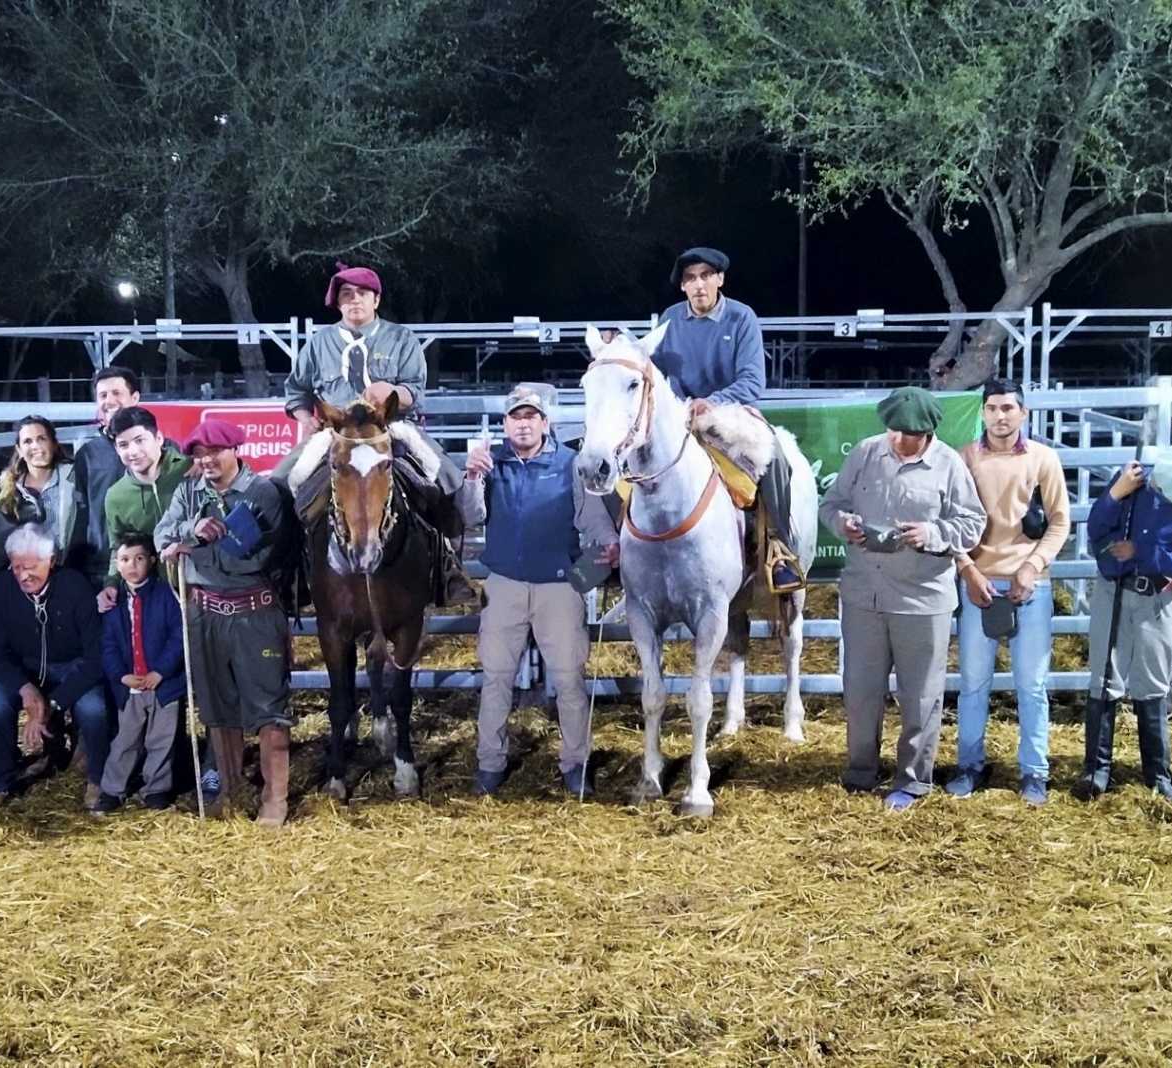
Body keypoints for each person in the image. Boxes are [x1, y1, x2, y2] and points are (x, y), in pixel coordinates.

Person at [818, 387, 987, 811]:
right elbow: (831, 502)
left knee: (921, 695)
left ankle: (913, 779)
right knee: (860, 689)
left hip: (922, 600)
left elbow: (973, 523)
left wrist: (933, 535)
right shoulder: (865, 453)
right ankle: (860, 772)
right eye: (893, 429)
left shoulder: (949, 464)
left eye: (908, 433)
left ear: (928, 433)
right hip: (863, 595)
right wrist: (843, 522)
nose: (897, 439)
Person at [457, 383, 619, 797]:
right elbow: (469, 515)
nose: (523, 424)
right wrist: (472, 475)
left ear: (545, 423)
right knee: (496, 678)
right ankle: (490, 763)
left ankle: (574, 762)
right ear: (505, 424)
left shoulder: (571, 464)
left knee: (569, 679)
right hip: (505, 585)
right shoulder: (491, 463)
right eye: (516, 417)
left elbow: (601, 532)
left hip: (558, 589)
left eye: (531, 417)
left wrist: (578, 581)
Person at [277, 262, 472, 605]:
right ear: (338, 303)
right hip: (335, 433)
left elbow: (416, 391)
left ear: (376, 300)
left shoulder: (401, 338)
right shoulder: (319, 343)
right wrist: (305, 416)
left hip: (391, 428)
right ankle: (288, 573)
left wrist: (394, 391)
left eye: (362, 294)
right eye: (346, 295)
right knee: (278, 485)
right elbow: (296, 391)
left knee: (447, 478)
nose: (355, 301)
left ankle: (449, 567)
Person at [157, 418, 298, 826]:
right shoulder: (187, 491)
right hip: (204, 612)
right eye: (200, 455)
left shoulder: (263, 493)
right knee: (217, 706)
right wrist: (189, 530)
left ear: (236, 449)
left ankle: (276, 798)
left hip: (254, 609)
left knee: (268, 705)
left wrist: (193, 544)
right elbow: (161, 536)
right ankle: (232, 791)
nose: (207, 461)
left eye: (215, 452)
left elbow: (254, 556)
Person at [947, 379, 1072, 806]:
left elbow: (1059, 521)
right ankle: (969, 764)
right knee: (972, 682)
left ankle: (1035, 771)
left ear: (1024, 413)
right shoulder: (965, 459)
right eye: (993, 408)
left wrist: (1032, 566)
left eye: (1008, 408)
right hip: (978, 583)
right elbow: (951, 521)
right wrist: (967, 569)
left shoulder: (1043, 460)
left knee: (1031, 684)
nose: (1001, 416)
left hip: (1029, 584)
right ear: (982, 412)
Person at [652, 246, 803, 593]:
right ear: (682, 287)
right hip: (681, 415)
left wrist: (713, 402)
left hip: (730, 412)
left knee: (775, 457)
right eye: (691, 278)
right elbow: (656, 377)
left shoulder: (741, 317)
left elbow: (752, 380)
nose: (699, 284)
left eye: (706, 275)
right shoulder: (669, 320)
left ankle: (780, 549)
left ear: (720, 279)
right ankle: (625, 549)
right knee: (634, 460)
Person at [1075, 446, 1172, 806]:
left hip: (1158, 596)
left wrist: (1142, 552)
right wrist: (1114, 494)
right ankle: (1096, 770)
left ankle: (1157, 775)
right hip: (1114, 590)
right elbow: (1096, 528)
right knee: (1104, 676)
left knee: (1153, 680)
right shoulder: (1131, 481)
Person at [0, 524, 109, 813]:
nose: (23, 574)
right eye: (17, 566)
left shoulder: (76, 586)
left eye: (32, 566)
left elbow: (96, 656)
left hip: (74, 666)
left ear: (52, 561)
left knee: (93, 709)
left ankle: (99, 781)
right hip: (24, 667)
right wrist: (25, 690)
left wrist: (55, 703)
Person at [95, 534, 187, 815]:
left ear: (152, 561)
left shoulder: (166, 596)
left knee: (161, 738)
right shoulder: (113, 602)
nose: (132, 565)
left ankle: (156, 788)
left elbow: (177, 637)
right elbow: (108, 644)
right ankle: (113, 789)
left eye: (139, 558)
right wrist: (120, 676)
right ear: (117, 565)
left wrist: (162, 671)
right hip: (130, 683)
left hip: (162, 683)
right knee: (125, 739)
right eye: (125, 560)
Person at [73, 366, 158, 584]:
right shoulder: (87, 454)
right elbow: (82, 512)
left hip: (155, 565)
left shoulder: (163, 448)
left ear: (135, 397)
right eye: (103, 395)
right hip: (101, 568)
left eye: (116, 393)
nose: (109, 400)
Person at [102, 406, 192, 589]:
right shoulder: (116, 496)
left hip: (207, 589)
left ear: (158, 438)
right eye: (123, 445)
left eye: (139, 440)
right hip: (156, 593)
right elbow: (119, 548)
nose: (133, 451)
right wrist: (111, 584)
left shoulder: (190, 470)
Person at [0, 415, 81, 564]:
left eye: (42, 439)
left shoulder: (74, 478)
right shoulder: (8, 491)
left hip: (71, 567)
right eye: (28, 441)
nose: (36, 446)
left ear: (53, 444)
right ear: (19, 450)